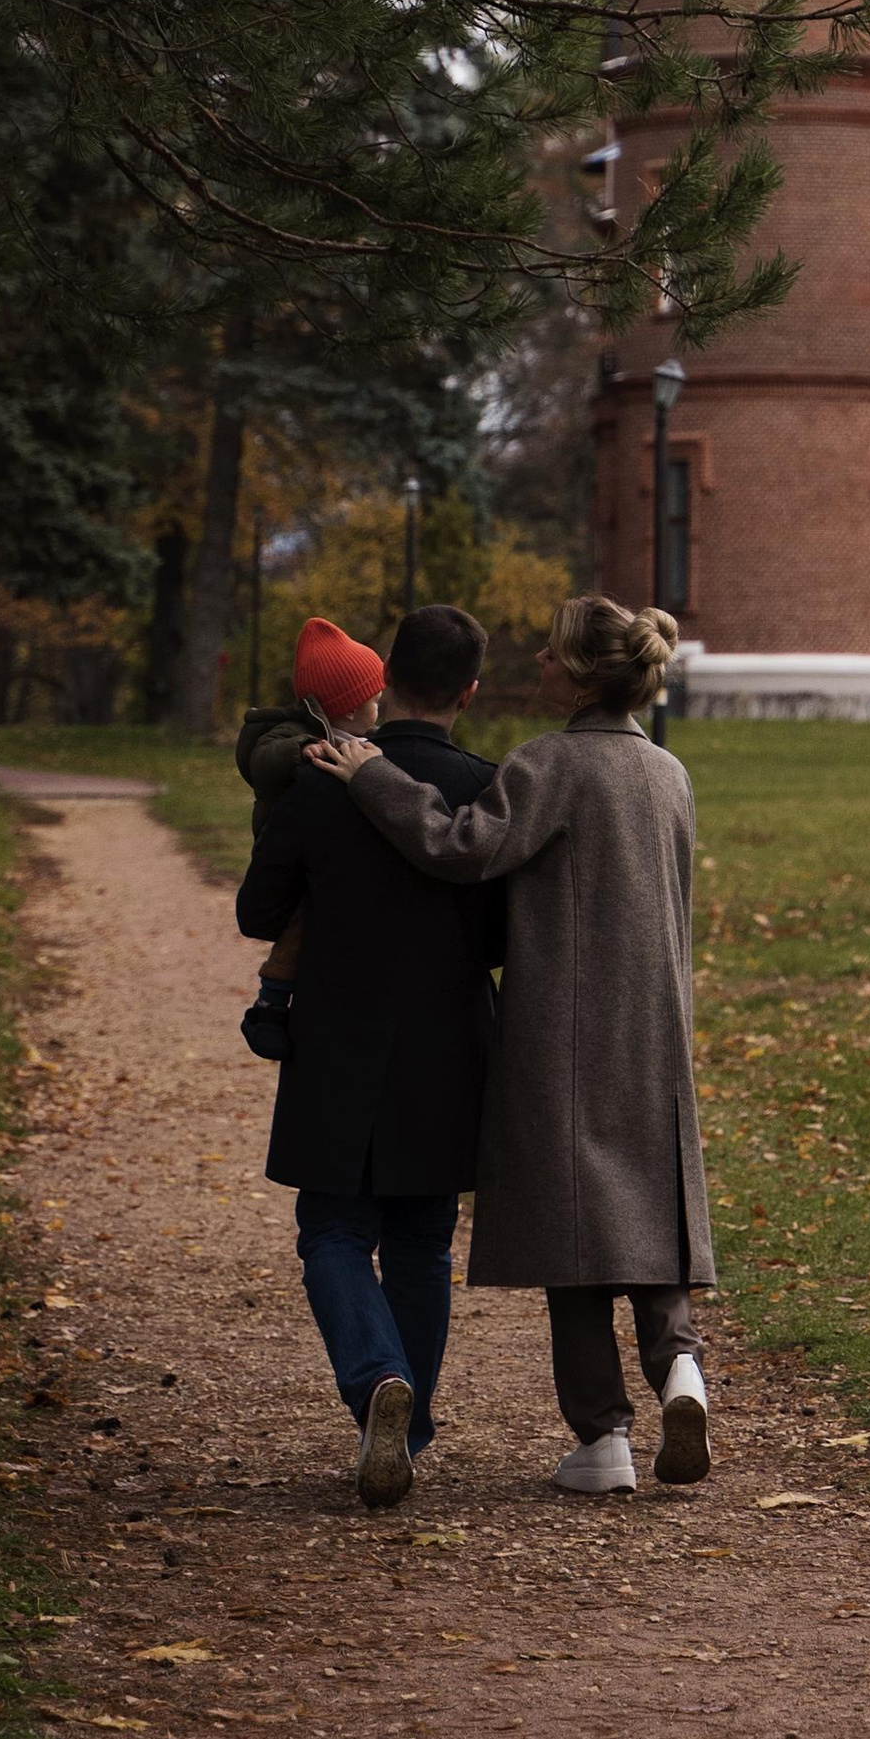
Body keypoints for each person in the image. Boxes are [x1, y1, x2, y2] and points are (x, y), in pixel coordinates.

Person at [307, 594, 714, 1500]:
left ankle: (604, 1438)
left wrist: (371, 773)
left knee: (572, 1235)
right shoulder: (669, 774)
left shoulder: (550, 766)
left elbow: (459, 847)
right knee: (648, 1215)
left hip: (564, 1029)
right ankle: (680, 1372)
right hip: (652, 1024)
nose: (534, 660)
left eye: (548, 651)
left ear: (578, 674)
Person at [236, 601, 505, 1508]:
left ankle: (375, 1380)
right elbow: (505, 932)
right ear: (470, 690)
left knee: (335, 1232)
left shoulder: (321, 780)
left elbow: (255, 913)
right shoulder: (484, 785)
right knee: (424, 1243)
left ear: (387, 676)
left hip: (340, 1039)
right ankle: (408, 1424)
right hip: (447, 1044)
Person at [232, 616, 388, 1059]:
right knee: (300, 925)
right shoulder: (289, 732)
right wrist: (301, 750)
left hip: (326, 850)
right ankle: (271, 1002)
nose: (380, 709)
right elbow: (261, 759)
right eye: (374, 701)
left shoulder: (362, 736)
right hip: (291, 855)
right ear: (351, 706)